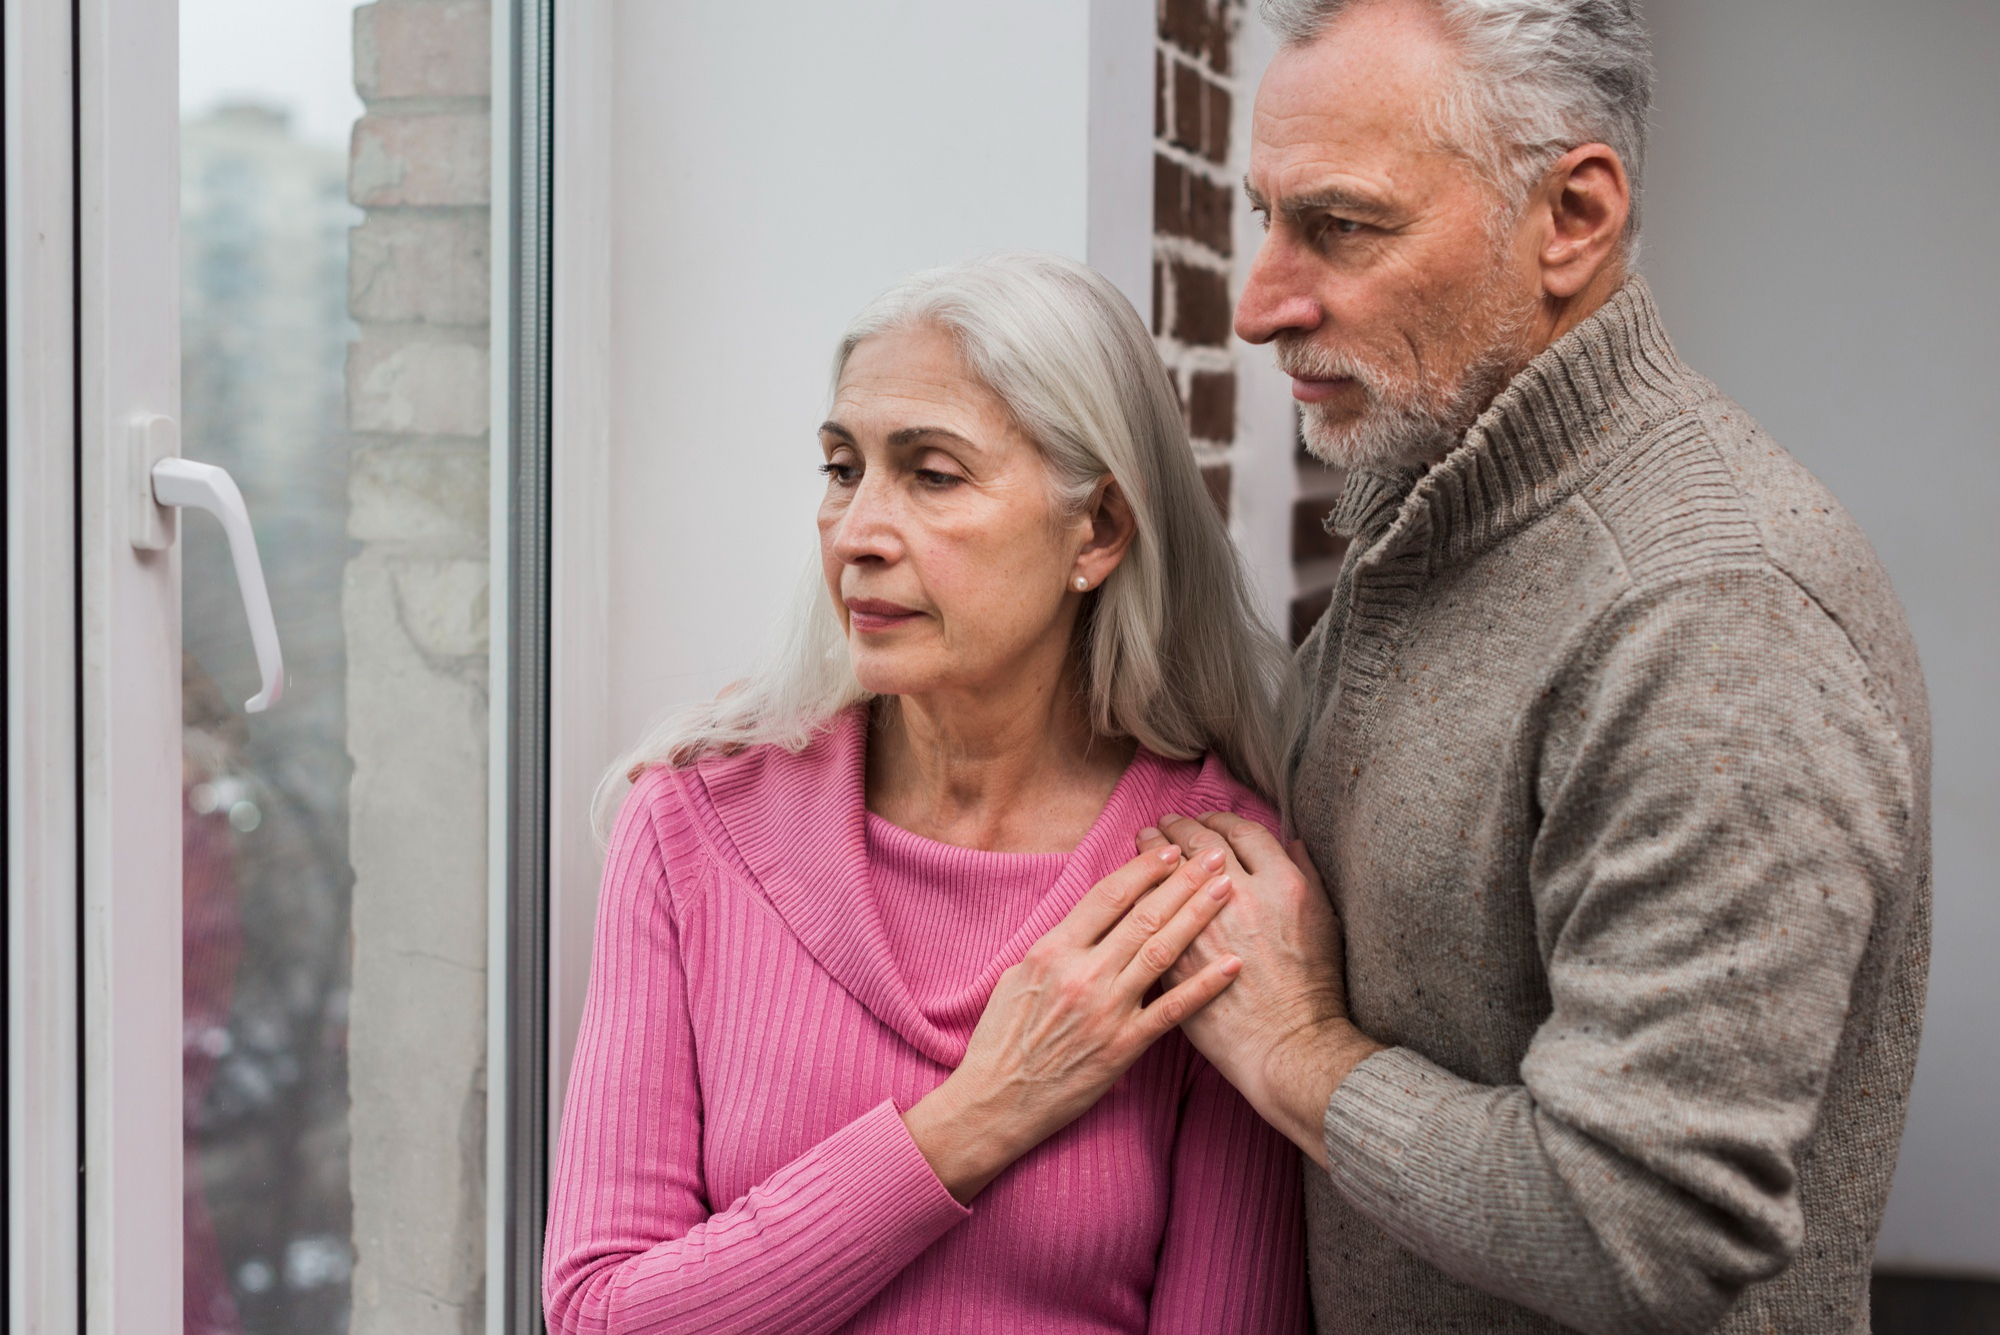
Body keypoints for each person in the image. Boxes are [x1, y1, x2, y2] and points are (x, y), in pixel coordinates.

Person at [1140, 2, 1932, 1332]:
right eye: (1261, 215)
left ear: (1570, 217)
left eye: (1340, 224)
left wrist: (1298, 1052)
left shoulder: (1711, 617)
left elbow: (1646, 1227)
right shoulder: (1446, 511)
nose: (1260, 303)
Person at [542, 253, 1309, 1334]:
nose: (856, 533)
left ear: (1095, 531)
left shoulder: (1205, 881)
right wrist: (977, 1117)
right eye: (841, 468)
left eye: (931, 474)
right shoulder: (692, 826)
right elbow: (599, 1313)